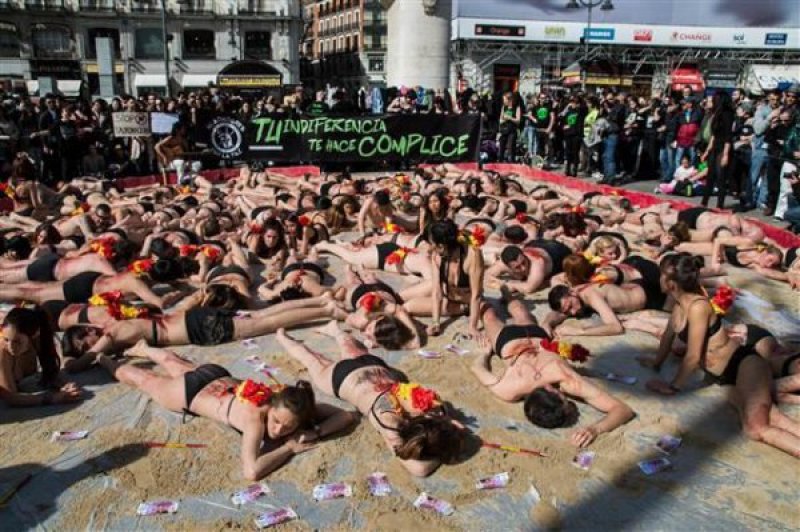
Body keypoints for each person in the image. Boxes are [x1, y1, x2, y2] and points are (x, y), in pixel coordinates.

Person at [97, 341, 357, 480]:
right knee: (145, 380)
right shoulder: (255, 419)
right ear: (271, 406)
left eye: (288, 427)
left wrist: (317, 431)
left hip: (216, 376)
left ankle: (145, 348)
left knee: (172, 361)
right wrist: (289, 448)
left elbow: (346, 416)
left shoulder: (294, 404)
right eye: (276, 421)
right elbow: (252, 471)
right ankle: (104, 359)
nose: (278, 430)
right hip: (191, 393)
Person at [638, 254, 800, 458]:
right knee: (773, 418)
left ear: (671, 283)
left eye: (661, 274)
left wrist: (673, 387)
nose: (658, 278)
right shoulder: (679, 306)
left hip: (745, 366)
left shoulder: (698, 307)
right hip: (726, 377)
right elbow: (667, 337)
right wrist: (656, 363)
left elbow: (693, 355)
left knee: (756, 429)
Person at [277, 324, 466, 477]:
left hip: (374, 368)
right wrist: (446, 451)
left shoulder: (427, 404)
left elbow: (443, 417)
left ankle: (334, 331)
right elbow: (419, 468)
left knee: (346, 346)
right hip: (345, 379)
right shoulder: (388, 421)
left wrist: (450, 428)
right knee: (311, 359)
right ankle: (282, 337)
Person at [470, 295, 634, 447]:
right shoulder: (511, 389)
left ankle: (482, 297)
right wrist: (595, 429)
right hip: (523, 339)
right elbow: (477, 368)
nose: (565, 396)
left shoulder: (560, 376)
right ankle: (493, 296)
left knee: (502, 315)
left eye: (564, 399)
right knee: (509, 313)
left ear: (551, 390)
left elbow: (622, 410)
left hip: (523, 339)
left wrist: (485, 353)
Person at [0, 307, 83, 407]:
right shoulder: (3, 352)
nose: (10, 347)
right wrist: (53, 398)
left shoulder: (37, 342)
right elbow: (11, 398)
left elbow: (51, 372)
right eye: (6, 339)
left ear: (34, 335)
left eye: (17, 342)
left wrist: (66, 386)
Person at [700, 91, 736, 208]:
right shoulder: (715, 113)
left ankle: (720, 204)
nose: (711, 101)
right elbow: (714, 135)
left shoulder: (727, 114)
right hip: (715, 146)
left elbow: (728, 136)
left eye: (713, 99)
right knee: (710, 175)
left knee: (721, 177)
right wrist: (707, 151)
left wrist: (725, 154)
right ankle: (704, 202)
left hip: (724, 147)